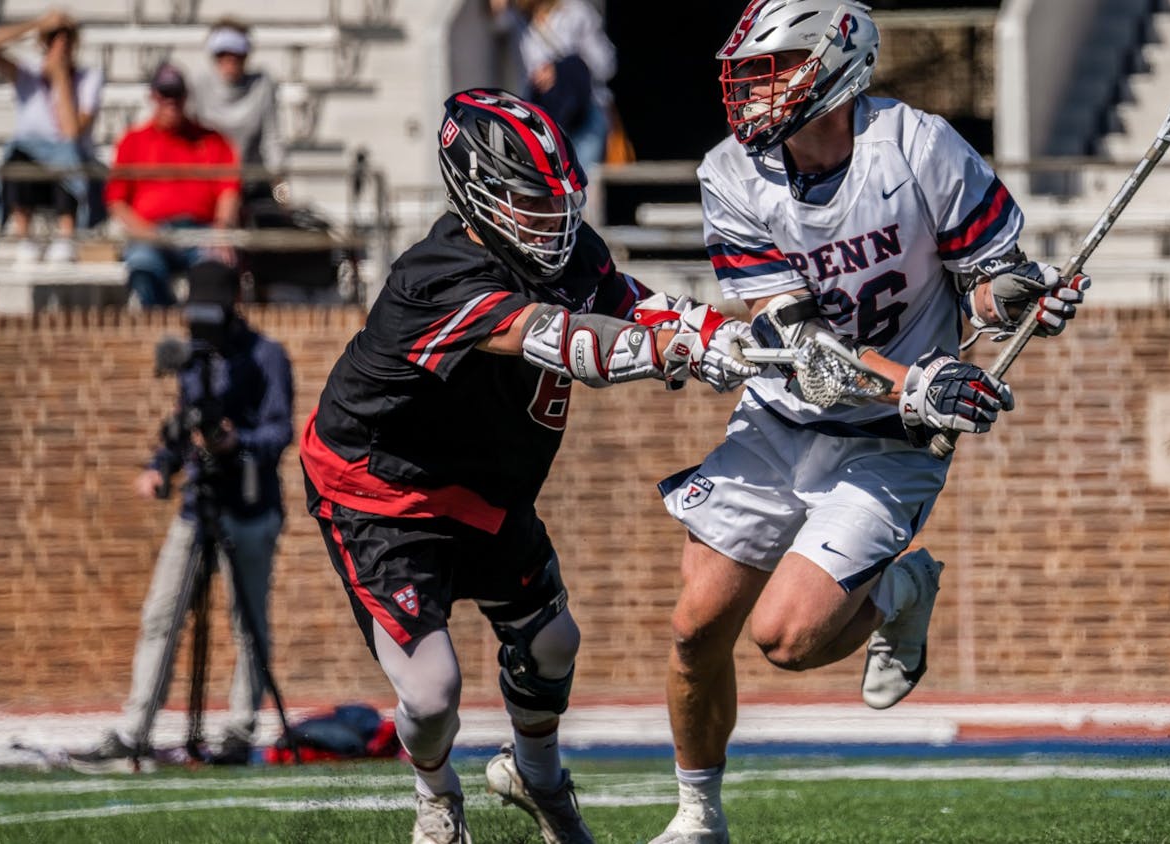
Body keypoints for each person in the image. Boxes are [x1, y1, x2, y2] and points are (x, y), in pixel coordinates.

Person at [648, 2, 1090, 841]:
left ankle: (899, 591)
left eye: (775, 70)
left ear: (836, 65)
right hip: (783, 416)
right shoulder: (731, 172)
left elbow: (984, 288)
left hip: (889, 442)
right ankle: (697, 815)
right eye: (749, 75)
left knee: (787, 638)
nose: (753, 92)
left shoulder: (919, 146)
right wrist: (916, 382)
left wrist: (1020, 297)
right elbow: (797, 342)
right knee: (694, 628)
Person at [300, 88, 755, 844]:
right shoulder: (437, 274)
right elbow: (553, 337)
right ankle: (436, 795)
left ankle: (538, 778)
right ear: (476, 193)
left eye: (558, 200)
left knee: (553, 643)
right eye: (530, 201)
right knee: (433, 692)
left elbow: (637, 305)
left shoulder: (572, 251)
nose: (553, 220)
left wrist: (717, 331)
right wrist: (666, 351)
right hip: (383, 492)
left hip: (485, 486)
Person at [70, 260, 295, 773]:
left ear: (234, 304)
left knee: (248, 623)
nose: (202, 324)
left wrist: (237, 442)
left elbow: (280, 432)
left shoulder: (267, 356)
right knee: (160, 616)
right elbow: (185, 423)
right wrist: (160, 466)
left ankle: (239, 731)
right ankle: (135, 732)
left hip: (250, 509)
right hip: (197, 505)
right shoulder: (192, 355)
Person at [0, 8, 104, 264]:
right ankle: (25, 239)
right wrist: (37, 24)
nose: (61, 44)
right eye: (53, 37)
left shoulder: (88, 78)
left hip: (71, 168)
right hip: (31, 166)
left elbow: (70, 133)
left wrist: (60, 78)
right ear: (44, 41)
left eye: (66, 37)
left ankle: (66, 236)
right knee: (17, 158)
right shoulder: (27, 73)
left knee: (66, 154)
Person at [105, 63, 240, 308]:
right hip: (151, 232)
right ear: (153, 96)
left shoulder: (212, 140)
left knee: (215, 267)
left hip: (201, 231)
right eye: (165, 93)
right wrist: (146, 232)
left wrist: (222, 231)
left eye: (176, 94)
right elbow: (116, 201)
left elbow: (229, 191)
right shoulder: (133, 141)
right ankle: (162, 322)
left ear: (185, 97)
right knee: (142, 267)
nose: (171, 101)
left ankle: (202, 327)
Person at [489, 0, 615, 169]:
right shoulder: (517, 19)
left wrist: (562, 70)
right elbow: (497, 25)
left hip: (584, 116)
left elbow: (605, 66)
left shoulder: (576, 12)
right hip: (540, 119)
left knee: (581, 180)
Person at [188, 17, 283, 204]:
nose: (230, 59)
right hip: (210, 186)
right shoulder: (199, 84)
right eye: (222, 53)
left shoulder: (262, 85)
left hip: (252, 184)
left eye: (237, 53)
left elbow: (272, 139)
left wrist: (281, 192)